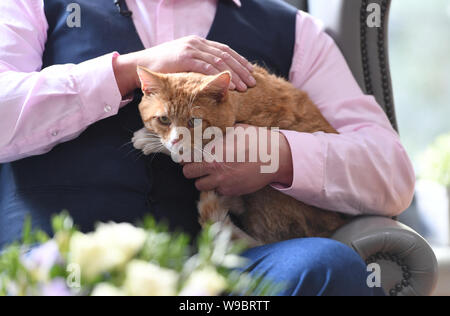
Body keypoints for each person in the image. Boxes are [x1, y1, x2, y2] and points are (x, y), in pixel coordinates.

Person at [0, 0, 414, 296]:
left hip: (228, 280)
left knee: (327, 267)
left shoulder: (295, 30)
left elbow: (392, 174)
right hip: (73, 263)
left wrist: (279, 155)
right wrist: (124, 71)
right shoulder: (34, 6)